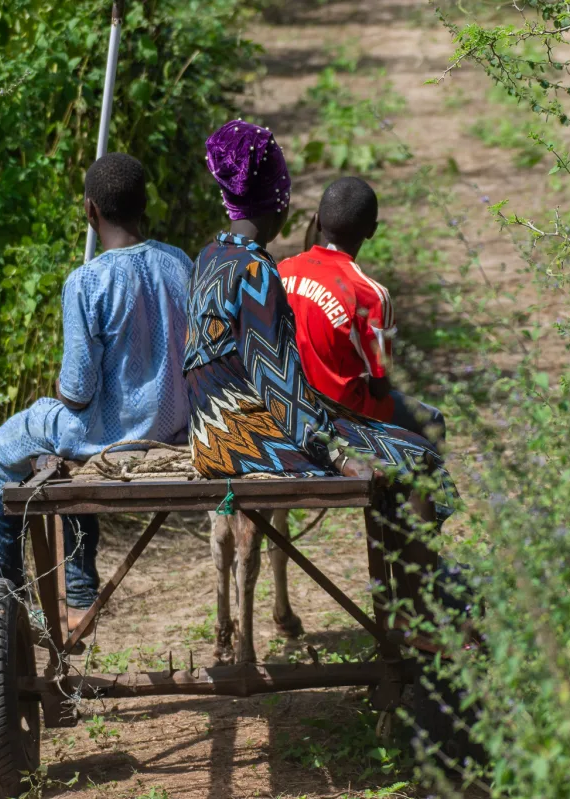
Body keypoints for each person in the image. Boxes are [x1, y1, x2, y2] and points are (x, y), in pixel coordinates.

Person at [184, 120, 457, 616]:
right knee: (418, 456)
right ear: (281, 204)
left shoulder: (210, 255)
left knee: (386, 445)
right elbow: (280, 390)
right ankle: (420, 610)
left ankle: (412, 602)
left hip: (209, 433)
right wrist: (338, 456)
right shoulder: (256, 271)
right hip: (247, 441)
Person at [0, 153, 194, 631]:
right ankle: (76, 589)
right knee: (56, 445)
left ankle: (3, 597)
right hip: (177, 431)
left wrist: (62, 386)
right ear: (145, 205)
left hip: (112, 436)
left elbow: (76, 393)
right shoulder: (179, 262)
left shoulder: (87, 280)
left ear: (90, 211)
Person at [278, 177, 446, 444]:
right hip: (344, 414)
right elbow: (380, 387)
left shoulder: (282, 270)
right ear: (371, 231)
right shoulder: (371, 295)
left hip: (288, 401)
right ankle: (417, 485)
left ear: (318, 220)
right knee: (433, 419)